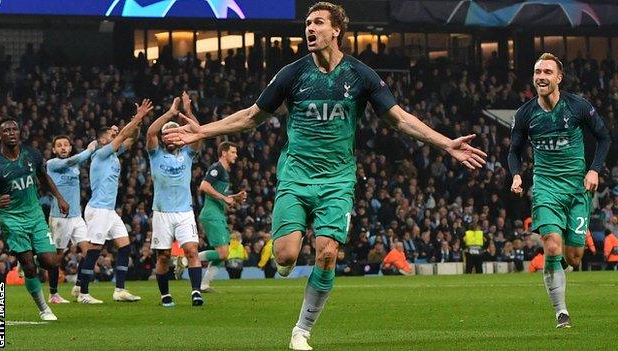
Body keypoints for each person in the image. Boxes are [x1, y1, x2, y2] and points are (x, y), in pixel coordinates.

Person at [164, 2, 486, 349]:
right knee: (285, 256)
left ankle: (301, 330)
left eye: (318, 22)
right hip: (295, 177)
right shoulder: (292, 74)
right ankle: (286, 259)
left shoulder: (361, 75)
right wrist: (203, 132)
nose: (310, 29)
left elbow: (401, 119)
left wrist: (445, 144)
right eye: (307, 23)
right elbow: (250, 116)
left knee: (327, 253)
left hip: (338, 180)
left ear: (336, 31)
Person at [508, 52, 611, 328]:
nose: (541, 77)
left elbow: (604, 138)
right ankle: (561, 313)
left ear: (559, 77)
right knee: (551, 245)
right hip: (546, 187)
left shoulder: (578, 107)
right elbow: (514, 152)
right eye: (537, 71)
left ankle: (560, 266)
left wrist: (594, 169)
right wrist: (517, 175)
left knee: (574, 258)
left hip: (577, 189)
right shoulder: (525, 114)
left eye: (547, 72)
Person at [0, 118, 69, 320]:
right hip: (12, 219)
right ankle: (44, 308)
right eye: (6, 130)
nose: (11, 133)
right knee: (29, 266)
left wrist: (60, 197)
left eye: (14, 129)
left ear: (19, 132)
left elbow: (43, 177)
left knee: (51, 262)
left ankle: (31, 254)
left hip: (35, 215)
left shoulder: (32, 154)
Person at [79, 99, 153, 303]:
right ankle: (83, 292)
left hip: (109, 211)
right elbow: (122, 136)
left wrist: (136, 123)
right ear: (103, 141)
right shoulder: (101, 154)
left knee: (125, 245)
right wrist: (138, 117)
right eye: (111, 135)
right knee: (94, 249)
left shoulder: (114, 154)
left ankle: (119, 290)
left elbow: (130, 138)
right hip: (98, 209)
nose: (116, 136)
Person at [146, 95, 204, 307]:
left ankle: (196, 292)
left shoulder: (188, 153)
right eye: (167, 135)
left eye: (174, 133)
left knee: (191, 251)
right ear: (163, 138)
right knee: (163, 256)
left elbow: (199, 133)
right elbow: (150, 132)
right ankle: (165, 295)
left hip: (184, 211)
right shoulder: (155, 154)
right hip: (162, 212)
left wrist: (188, 113)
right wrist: (170, 114)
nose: (170, 138)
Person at [47, 136, 97, 304]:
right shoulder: (52, 164)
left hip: (77, 217)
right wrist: (89, 150)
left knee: (88, 251)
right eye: (59, 146)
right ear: (54, 150)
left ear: (70, 148)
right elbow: (71, 161)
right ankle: (53, 294)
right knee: (57, 257)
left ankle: (81, 290)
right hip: (60, 218)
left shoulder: (74, 165)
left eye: (66, 145)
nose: (63, 148)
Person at [197, 141, 246, 292]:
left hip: (217, 214)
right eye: (233, 152)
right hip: (212, 215)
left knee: (222, 254)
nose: (236, 155)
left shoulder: (224, 172)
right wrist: (225, 198)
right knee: (223, 253)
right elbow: (204, 186)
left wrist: (234, 197)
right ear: (224, 153)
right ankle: (187, 259)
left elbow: (219, 196)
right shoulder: (216, 168)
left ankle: (204, 284)